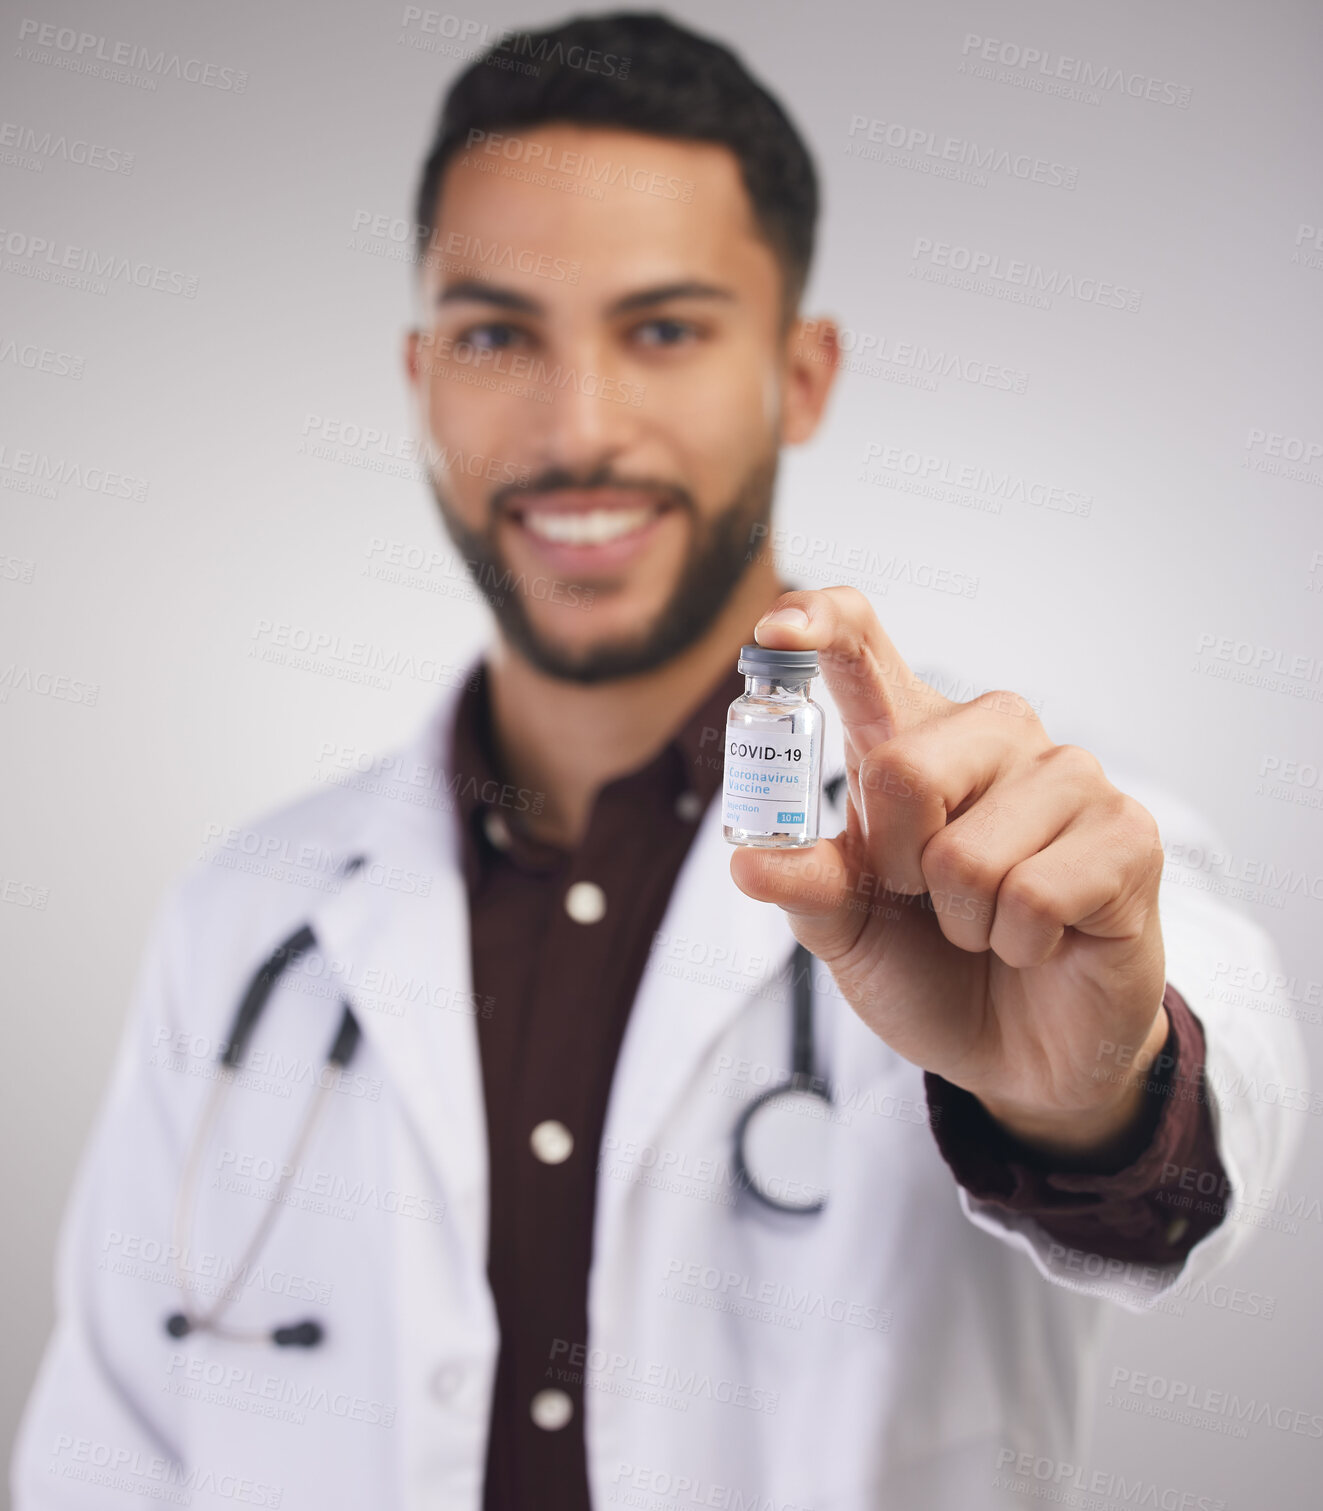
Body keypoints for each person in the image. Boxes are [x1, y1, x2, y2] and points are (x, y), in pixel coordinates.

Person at [12, 11, 1303, 1510]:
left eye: (666, 330)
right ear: (422, 378)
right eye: (498, 334)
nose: (579, 429)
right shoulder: (246, 915)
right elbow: (100, 1461)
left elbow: (1208, 1132)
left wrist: (1093, 1101)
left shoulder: (1019, 837)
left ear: (801, 375)